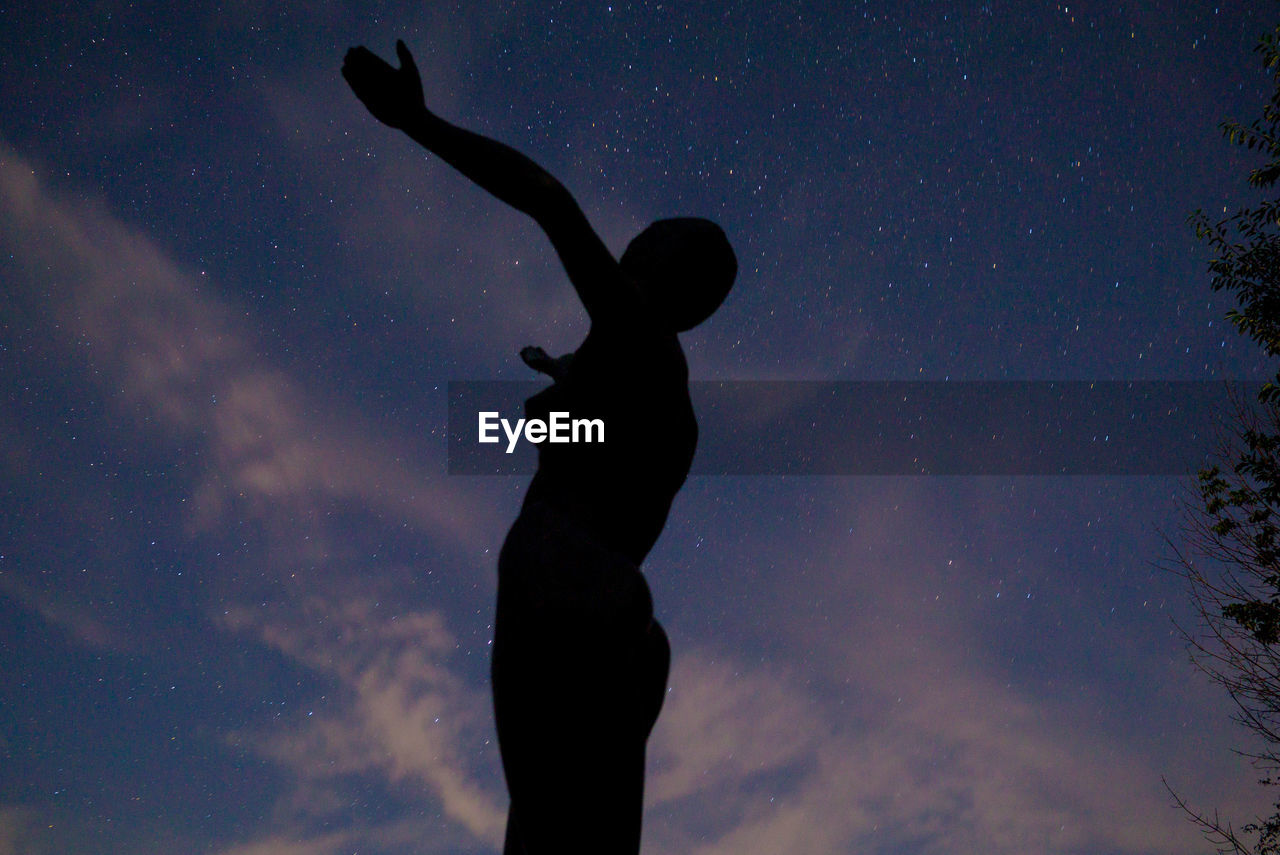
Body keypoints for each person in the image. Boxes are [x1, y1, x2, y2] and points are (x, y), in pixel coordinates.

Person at [343, 40, 736, 855]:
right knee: (574, 830)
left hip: (563, 573)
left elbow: (549, 202)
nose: (636, 236)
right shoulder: (662, 392)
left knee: (548, 830)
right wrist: (560, 398)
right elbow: (619, 456)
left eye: (655, 236)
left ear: (668, 274)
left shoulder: (637, 331)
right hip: (623, 610)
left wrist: (417, 123)